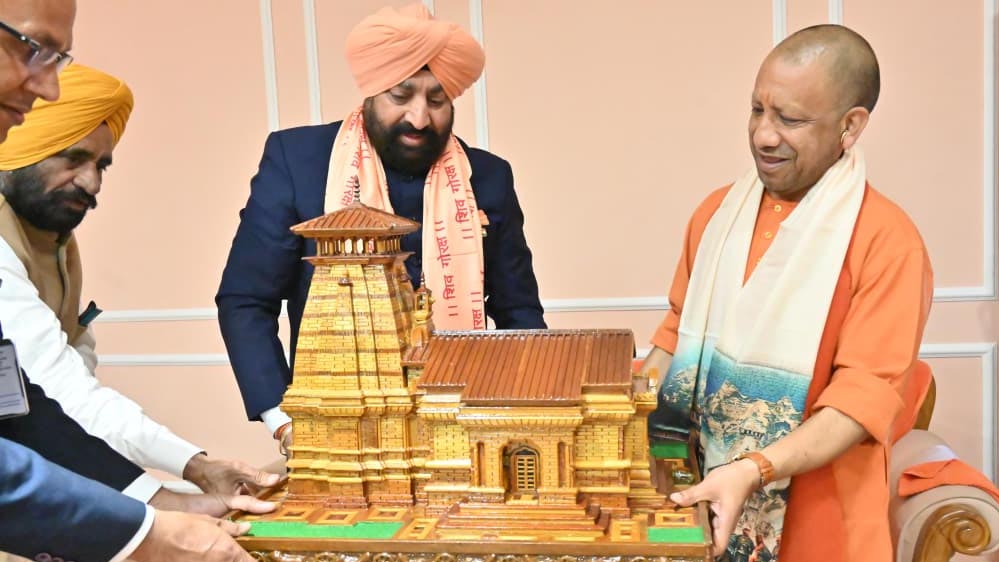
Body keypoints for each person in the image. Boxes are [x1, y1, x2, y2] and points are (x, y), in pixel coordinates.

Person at [643, 24, 932, 561]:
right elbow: (674, 340)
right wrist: (615, 412)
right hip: (699, 506)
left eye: (790, 120)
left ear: (850, 125)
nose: (763, 135)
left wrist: (752, 470)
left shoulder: (888, 242)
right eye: (757, 110)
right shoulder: (716, 215)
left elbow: (857, 405)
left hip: (823, 529)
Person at [217, 2, 546, 453]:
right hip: (338, 429)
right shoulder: (298, 161)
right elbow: (246, 299)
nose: (419, 118)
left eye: (436, 100)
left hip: (464, 425)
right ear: (372, 91)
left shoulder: (488, 176)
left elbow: (519, 313)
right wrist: (285, 421)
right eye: (400, 96)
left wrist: (528, 413)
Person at [0, 1, 265, 560]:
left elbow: (28, 409)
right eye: (35, 50)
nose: (92, 183)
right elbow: (53, 397)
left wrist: (183, 482)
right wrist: (155, 517)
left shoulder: (56, 243)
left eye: (101, 165)